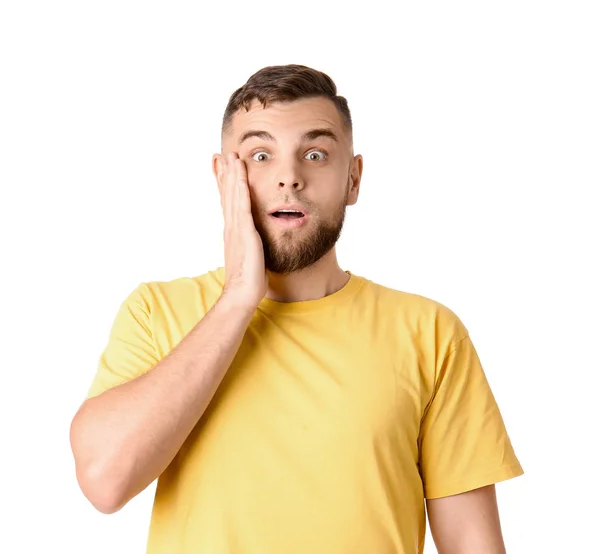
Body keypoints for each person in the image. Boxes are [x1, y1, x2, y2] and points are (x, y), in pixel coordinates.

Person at [70, 64, 523, 554]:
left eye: (315, 154)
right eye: (260, 155)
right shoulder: (156, 312)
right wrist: (239, 296)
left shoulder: (429, 332)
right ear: (224, 178)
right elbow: (104, 482)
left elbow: (473, 545)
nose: (289, 177)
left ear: (353, 178)